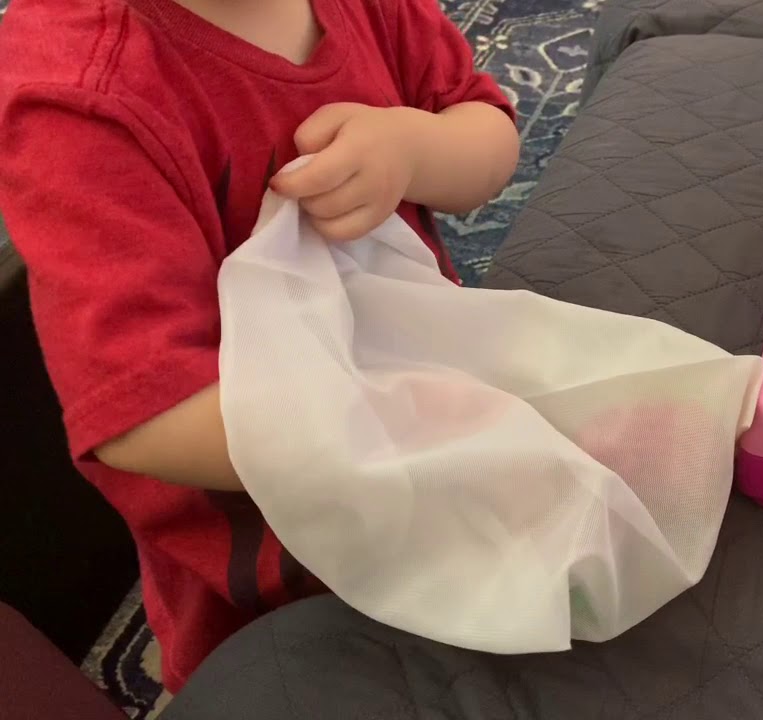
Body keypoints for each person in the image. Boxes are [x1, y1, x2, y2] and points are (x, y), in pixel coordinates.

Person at [0, 0, 519, 692]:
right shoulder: (76, 96)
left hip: (447, 434)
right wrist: (407, 430)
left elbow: (483, 128)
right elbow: (144, 417)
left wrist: (416, 150)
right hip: (282, 572)